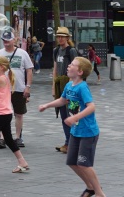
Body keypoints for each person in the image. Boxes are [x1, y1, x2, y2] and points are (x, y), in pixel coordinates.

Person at [39, 57, 106, 197]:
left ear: (80, 72)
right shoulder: (69, 85)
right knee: (71, 161)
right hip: (75, 131)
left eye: (72, 65)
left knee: (84, 164)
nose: (68, 66)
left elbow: (91, 106)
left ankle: (99, 193)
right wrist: (47, 105)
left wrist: (75, 117)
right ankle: (90, 187)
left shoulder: (82, 87)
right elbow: (63, 100)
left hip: (88, 132)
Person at [0, 29, 33, 149]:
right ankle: (2, 138)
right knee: (1, 113)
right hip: (2, 89)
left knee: (19, 113)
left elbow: (29, 70)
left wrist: (28, 86)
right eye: (4, 40)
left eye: (8, 40)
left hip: (18, 88)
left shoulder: (22, 53)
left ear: (14, 40)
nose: (5, 42)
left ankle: (17, 137)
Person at [50, 26, 78, 154]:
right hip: (59, 86)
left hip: (70, 85)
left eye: (62, 36)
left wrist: (73, 88)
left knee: (70, 115)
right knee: (63, 116)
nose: (60, 38)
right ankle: (68, 142)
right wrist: (53, 88)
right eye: (58, 36)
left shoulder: (71, 51)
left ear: (67, 38)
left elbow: (77, 69)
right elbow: (55, 69)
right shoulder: (56, 51)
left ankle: (72, 143)